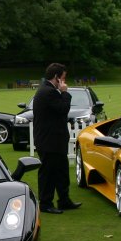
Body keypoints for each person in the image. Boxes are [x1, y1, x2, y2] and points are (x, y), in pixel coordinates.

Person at [32, 63, 81, 214]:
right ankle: (46, 203)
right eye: (64, 78)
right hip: (49, 141)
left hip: (52, 140)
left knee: (61, 171)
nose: (65, 82)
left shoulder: (45, 90)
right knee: (48, 172)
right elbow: (63, 109)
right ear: (57, 77)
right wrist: (65, 93)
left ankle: (64, 199)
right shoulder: (49, 92)